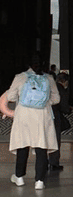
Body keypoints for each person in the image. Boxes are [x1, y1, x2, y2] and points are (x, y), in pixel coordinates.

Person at [4, 55, 60, 190]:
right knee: (41, 147)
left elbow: (11, 97)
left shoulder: (20, 77)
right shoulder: (49, 78)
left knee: (22, 145)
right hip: (42, 115)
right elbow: (57, 99)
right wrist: (45, 103)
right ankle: (39, 180)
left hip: (24, 115)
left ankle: (19, 177)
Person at [49, 72, 72, 171]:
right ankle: (54, 163)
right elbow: (63, 104)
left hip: (46, 116)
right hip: (55, 117)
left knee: (46, 139)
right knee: (55, 140)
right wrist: (68, 110)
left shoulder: (50, 87)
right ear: (64, 81)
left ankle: (44, 161)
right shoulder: (60, 89)